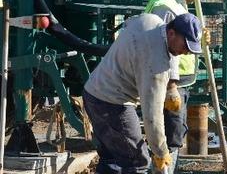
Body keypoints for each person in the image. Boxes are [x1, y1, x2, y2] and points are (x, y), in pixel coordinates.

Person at [83, 13, 203, 174]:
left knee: (113, 156)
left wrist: (171, 87)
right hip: (112, 103)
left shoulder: (151, 20)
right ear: (172, 33)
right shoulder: (156, 66)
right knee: (138, 161)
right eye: (186, 45)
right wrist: (161, 153)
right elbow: (152, 117)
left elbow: (169, 49)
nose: (187, 52)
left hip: (93, 92)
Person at [144, 0, 215, 173]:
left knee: (174, 131)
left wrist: (198, 37)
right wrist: (172, 86)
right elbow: (164, 46)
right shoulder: (166, 7)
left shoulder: (175, 3)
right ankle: (162, 170)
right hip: (168, 83)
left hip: (177, 81)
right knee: (170, 133)